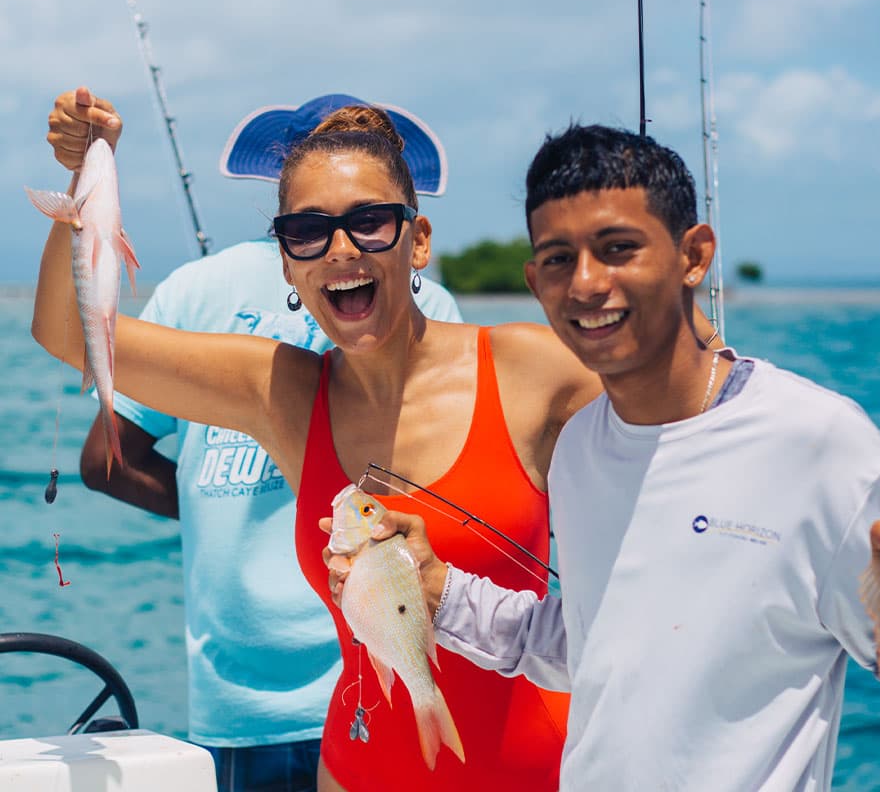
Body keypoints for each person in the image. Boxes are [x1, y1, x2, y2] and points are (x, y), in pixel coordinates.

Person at [36, 90, 693, 791]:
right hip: (352, 774)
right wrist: (85, 181)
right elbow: (69, 330)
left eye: (371, 222)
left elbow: (685, 489)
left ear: (419, 239)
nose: (341, 249)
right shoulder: (282, 393)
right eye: (308, 231)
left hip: (542, 771)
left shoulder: (533, 370)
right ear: (287, 261)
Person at [326, 123, 880, 792]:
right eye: (559, 260)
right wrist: (437, 589)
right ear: (534, 280)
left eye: (618, 248)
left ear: (694, 255)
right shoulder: (582, 447)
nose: (586, 284)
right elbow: (590, 645)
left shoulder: (819, 442)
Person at [77, 96, 463, 792]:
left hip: (370, 666)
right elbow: (104, 455)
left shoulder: (193, 287)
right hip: (252, 700)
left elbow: (108, 458)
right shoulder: (415, 293)